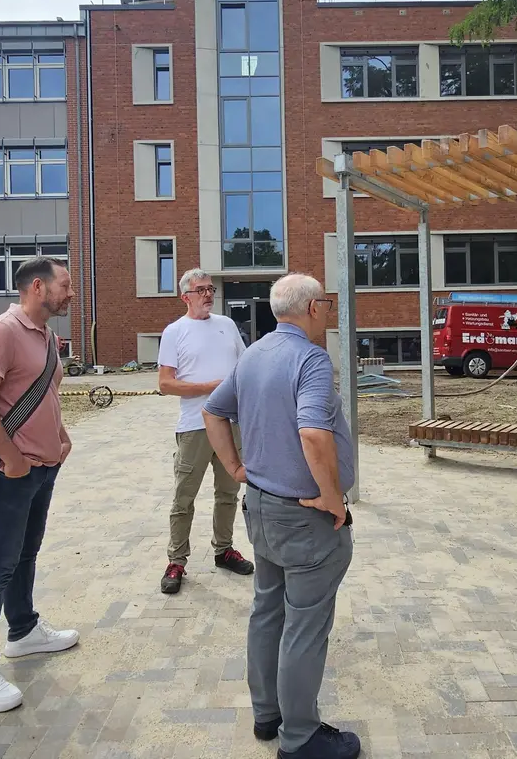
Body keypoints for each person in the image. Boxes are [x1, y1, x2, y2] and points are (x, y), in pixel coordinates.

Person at [202, 273, 360, 759]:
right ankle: (301, 738)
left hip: (264, 507)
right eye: (327, 304)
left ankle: (267, 714)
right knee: (305, 625)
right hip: (303, 517)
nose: (330, 311)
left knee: (268, 610)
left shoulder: (254, 353)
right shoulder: (309, 359)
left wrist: (234, 467)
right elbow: (313, 434)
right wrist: (334, 499)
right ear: (312, 308)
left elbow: (213, 409)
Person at [0, 256, 80, 713]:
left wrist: (61, 436)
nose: (70, 292)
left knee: (25, 553)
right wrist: (11, 461)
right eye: (64, 285)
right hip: (14, 472)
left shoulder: (45, 335)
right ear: (37, 287)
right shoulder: (2, 332)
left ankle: (24, 630)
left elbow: (44, 394)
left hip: (42, 467)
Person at [155, 268, 255, 594]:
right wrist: (212, 387)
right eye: (200, 290)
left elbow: (245, 367)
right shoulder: (174, 331)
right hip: (194, 427)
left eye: (210, 288)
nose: (208, 294)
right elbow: (165, 383)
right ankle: (176, 561)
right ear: (185, 296)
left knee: (228, 492)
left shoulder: (226, 326)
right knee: (184, 498)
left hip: (231, 425)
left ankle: (223, 549)